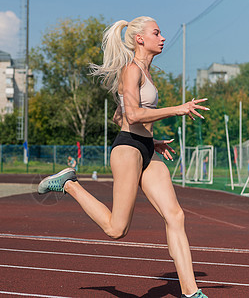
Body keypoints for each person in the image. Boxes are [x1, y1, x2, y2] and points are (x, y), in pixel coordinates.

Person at [38, 16, 209, 298]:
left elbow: (120, 115)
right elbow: (133, 115)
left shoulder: (147, 72)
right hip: (127, 150)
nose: (162, 37)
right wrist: (176, 109)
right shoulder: (131, 70)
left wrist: (152, 141)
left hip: (145, 148)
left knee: (175, 215)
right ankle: (70, 184)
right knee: (117, 230)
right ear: (140, 38)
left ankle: (191, 292)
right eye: (157, 32)